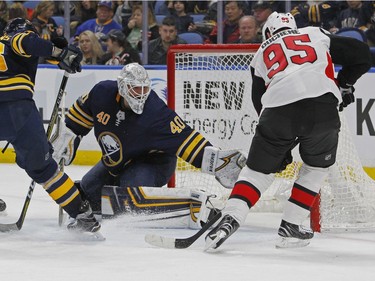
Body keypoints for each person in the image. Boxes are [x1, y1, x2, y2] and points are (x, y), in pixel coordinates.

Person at [204, 12, 371, 251]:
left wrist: (278, 148)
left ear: (268, 33)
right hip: (322, 109)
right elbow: (362, 55)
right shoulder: (314, 33)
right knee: (316, 167)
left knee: (257, 172)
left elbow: (260, 104)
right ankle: (291, 225)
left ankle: (230, 218)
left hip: (277, 113)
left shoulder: (260, 53)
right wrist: (343, 83)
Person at [51, 63, 245, 220]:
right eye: (135, 89)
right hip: (119, 161)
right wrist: (68, 134)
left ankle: (180, 206)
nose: (141, 93)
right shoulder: (102, 92)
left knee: (129, 195)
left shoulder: (155, 113)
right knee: (89, 190)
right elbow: (80, 114)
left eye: (144, 88)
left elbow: (186, 139)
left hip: (153, 162)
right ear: (122, 87)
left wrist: (217, 162)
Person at [0, 17, 102, 234]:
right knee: (44, 169)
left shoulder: (5, 44)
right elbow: (29, 43)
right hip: (17, 111)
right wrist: (62, 54)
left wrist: (61, 53)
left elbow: (39, 52)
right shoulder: (18, 38)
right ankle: (82, 216)